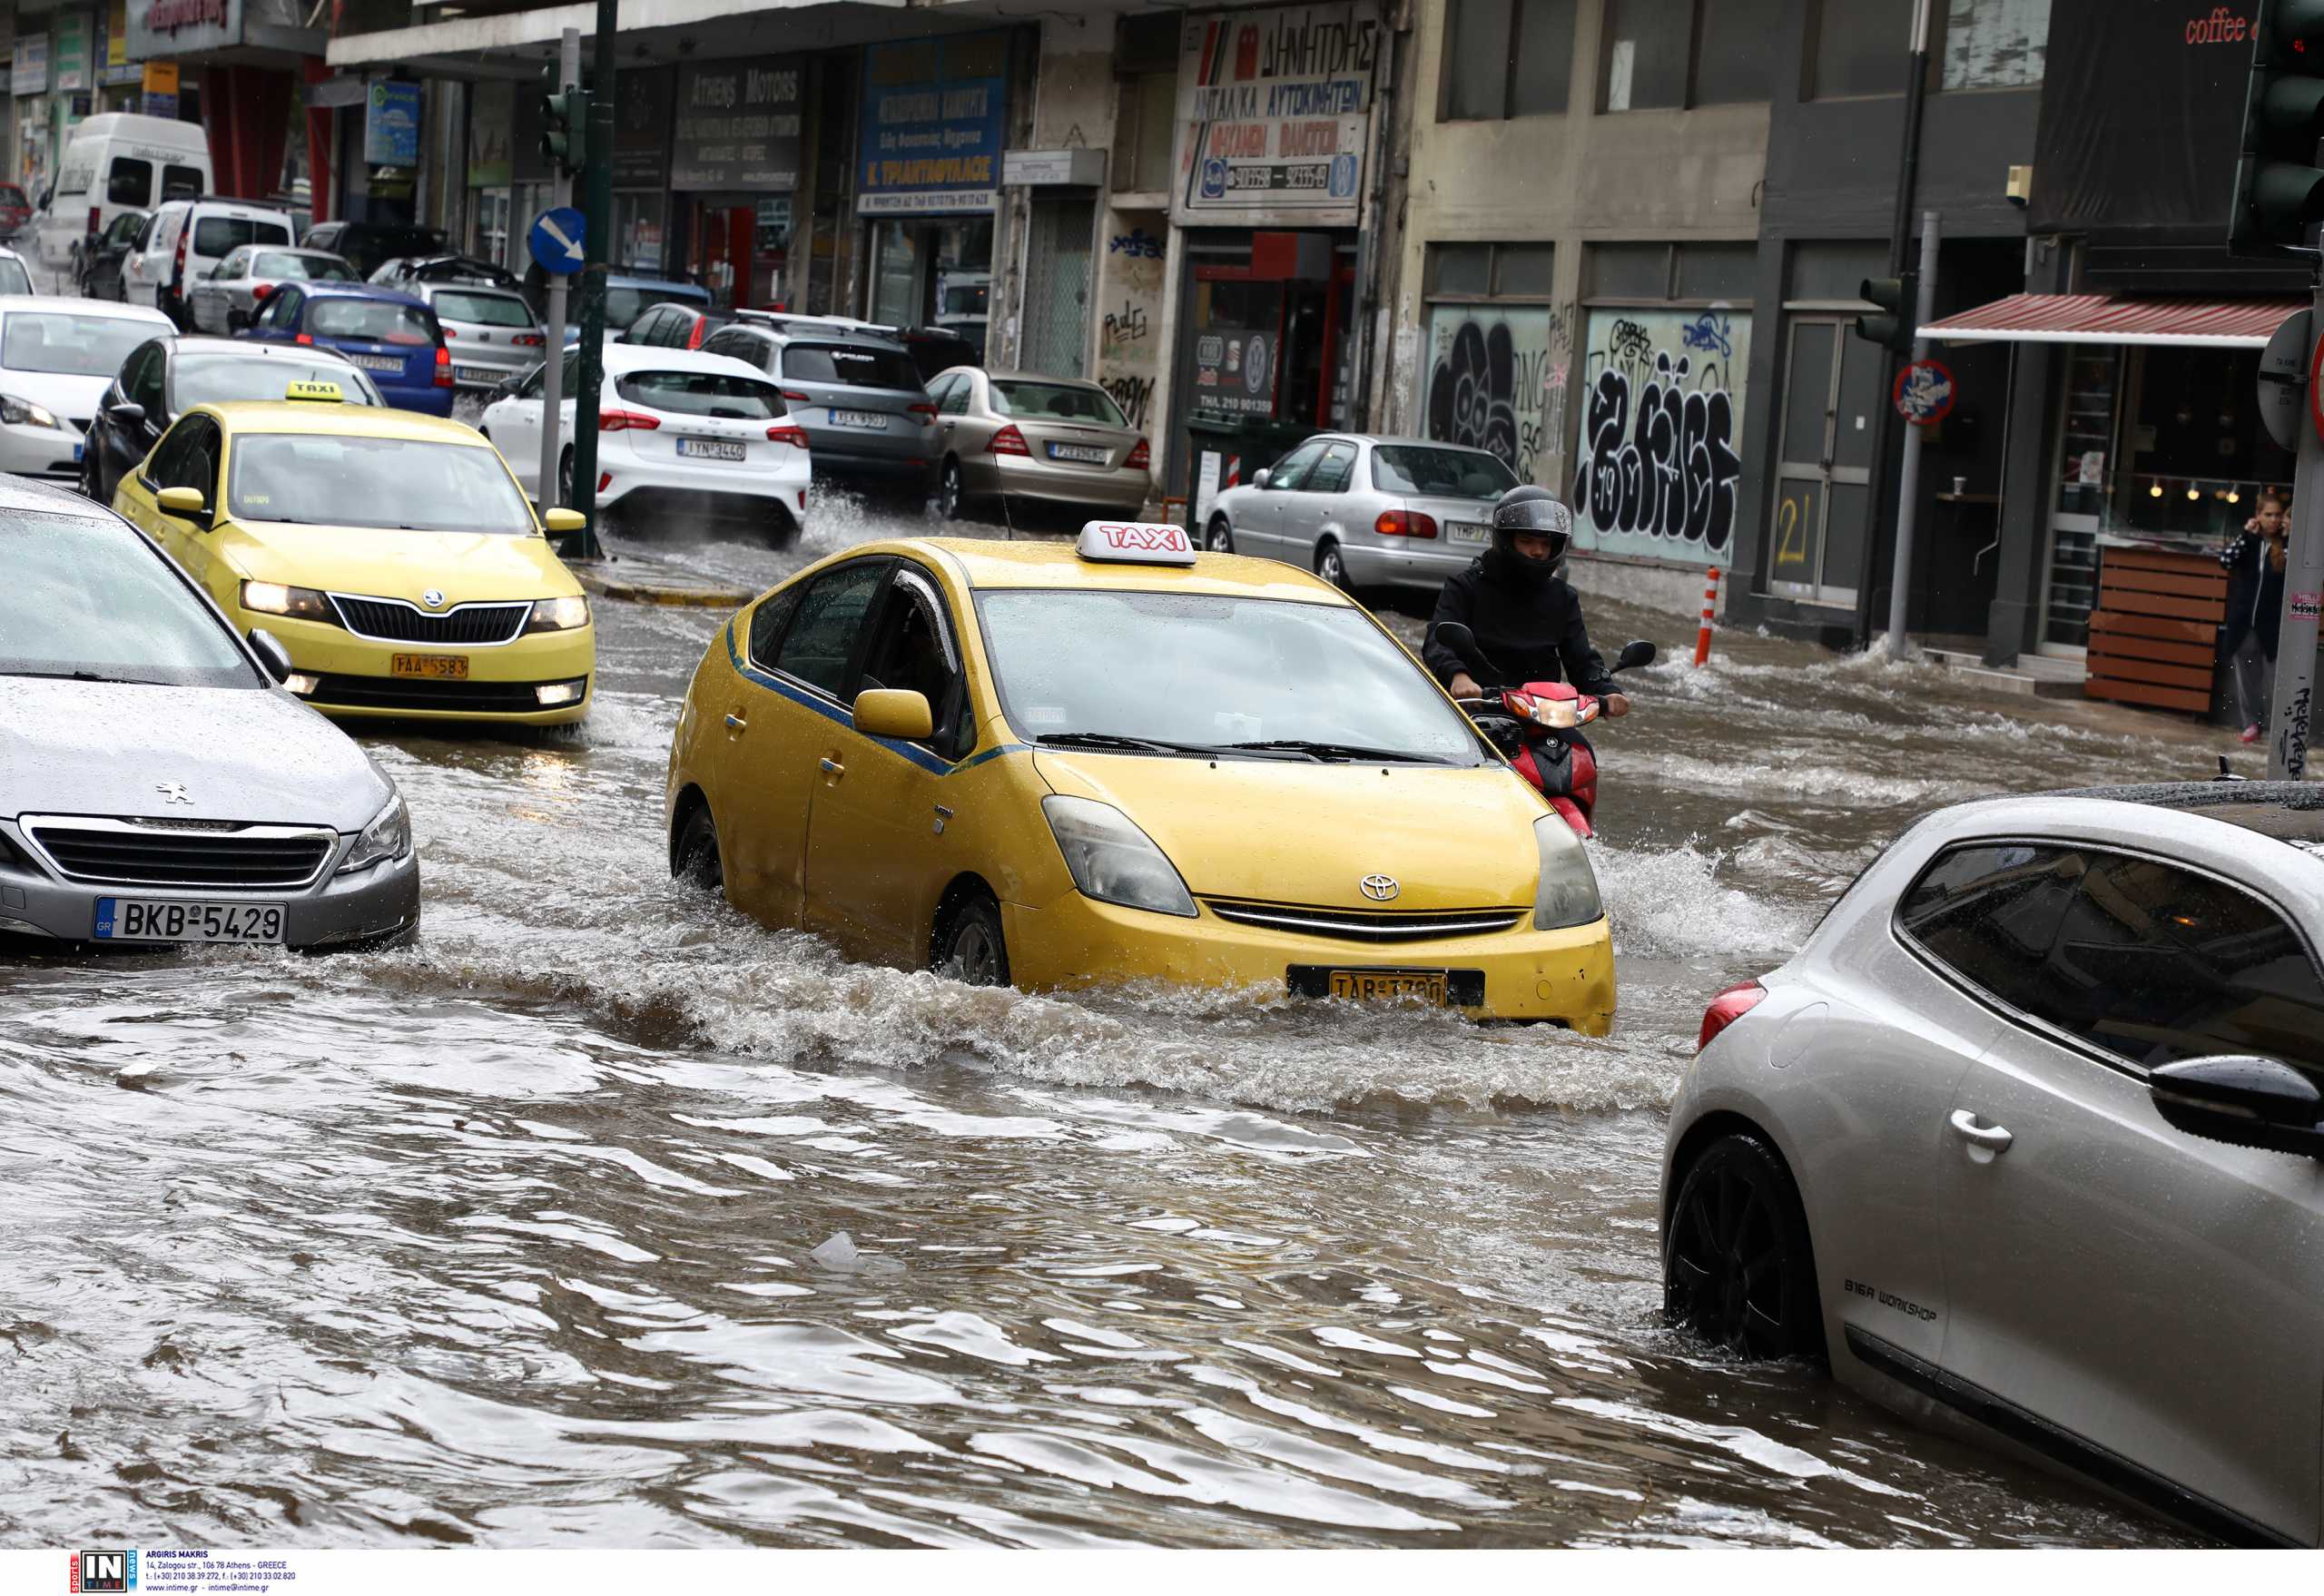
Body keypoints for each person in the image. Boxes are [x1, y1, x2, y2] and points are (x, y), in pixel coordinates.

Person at [1423, 485, 1630, 716]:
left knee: (1582, 751)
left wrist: (1607, 691)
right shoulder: (1465, 586)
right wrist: (1458, 675)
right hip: (1477, 709)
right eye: (1527, 541)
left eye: (1545, 544)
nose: (1538, 551)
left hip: (1543, 714)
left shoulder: (1563, 597)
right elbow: (1436, 642)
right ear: (1506, 540)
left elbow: (1581, 659)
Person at [2220, 487, 2290, 744]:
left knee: (2276, 682)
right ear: (2258, 515)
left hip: (2273, 627)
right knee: (2247, 679)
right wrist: (2245, 535)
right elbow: (2226, 561)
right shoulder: (2250, 542)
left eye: (2277, 515)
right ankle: (2251, 724)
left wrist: (2289, 536)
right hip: (2245, 625)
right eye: (2268, 514)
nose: (2273, 520)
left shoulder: (2286, 546)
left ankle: (2280, 727)